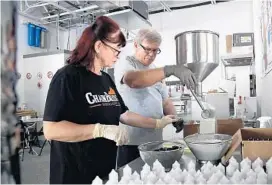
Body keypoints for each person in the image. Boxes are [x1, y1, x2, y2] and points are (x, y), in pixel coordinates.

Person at [42, 16, 177, 184]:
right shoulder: (67, 77)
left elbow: (124, 114)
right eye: (116, 50)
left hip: (105, 170)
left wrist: (157, 123)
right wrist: (100, 130)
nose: (118, 56)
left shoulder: (105, 79)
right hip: (74, 172)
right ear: (98, 46)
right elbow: (51, 130)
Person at [114, 28, 197, 168]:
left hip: (155, 142)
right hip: (131, 143)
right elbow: (133, 81)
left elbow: (165, 101)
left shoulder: (154, 69)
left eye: (155, 50)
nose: (151, 54)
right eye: (147, 49)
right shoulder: (126, 63)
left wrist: (175, 118)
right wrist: (170, 70)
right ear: (135, 45)